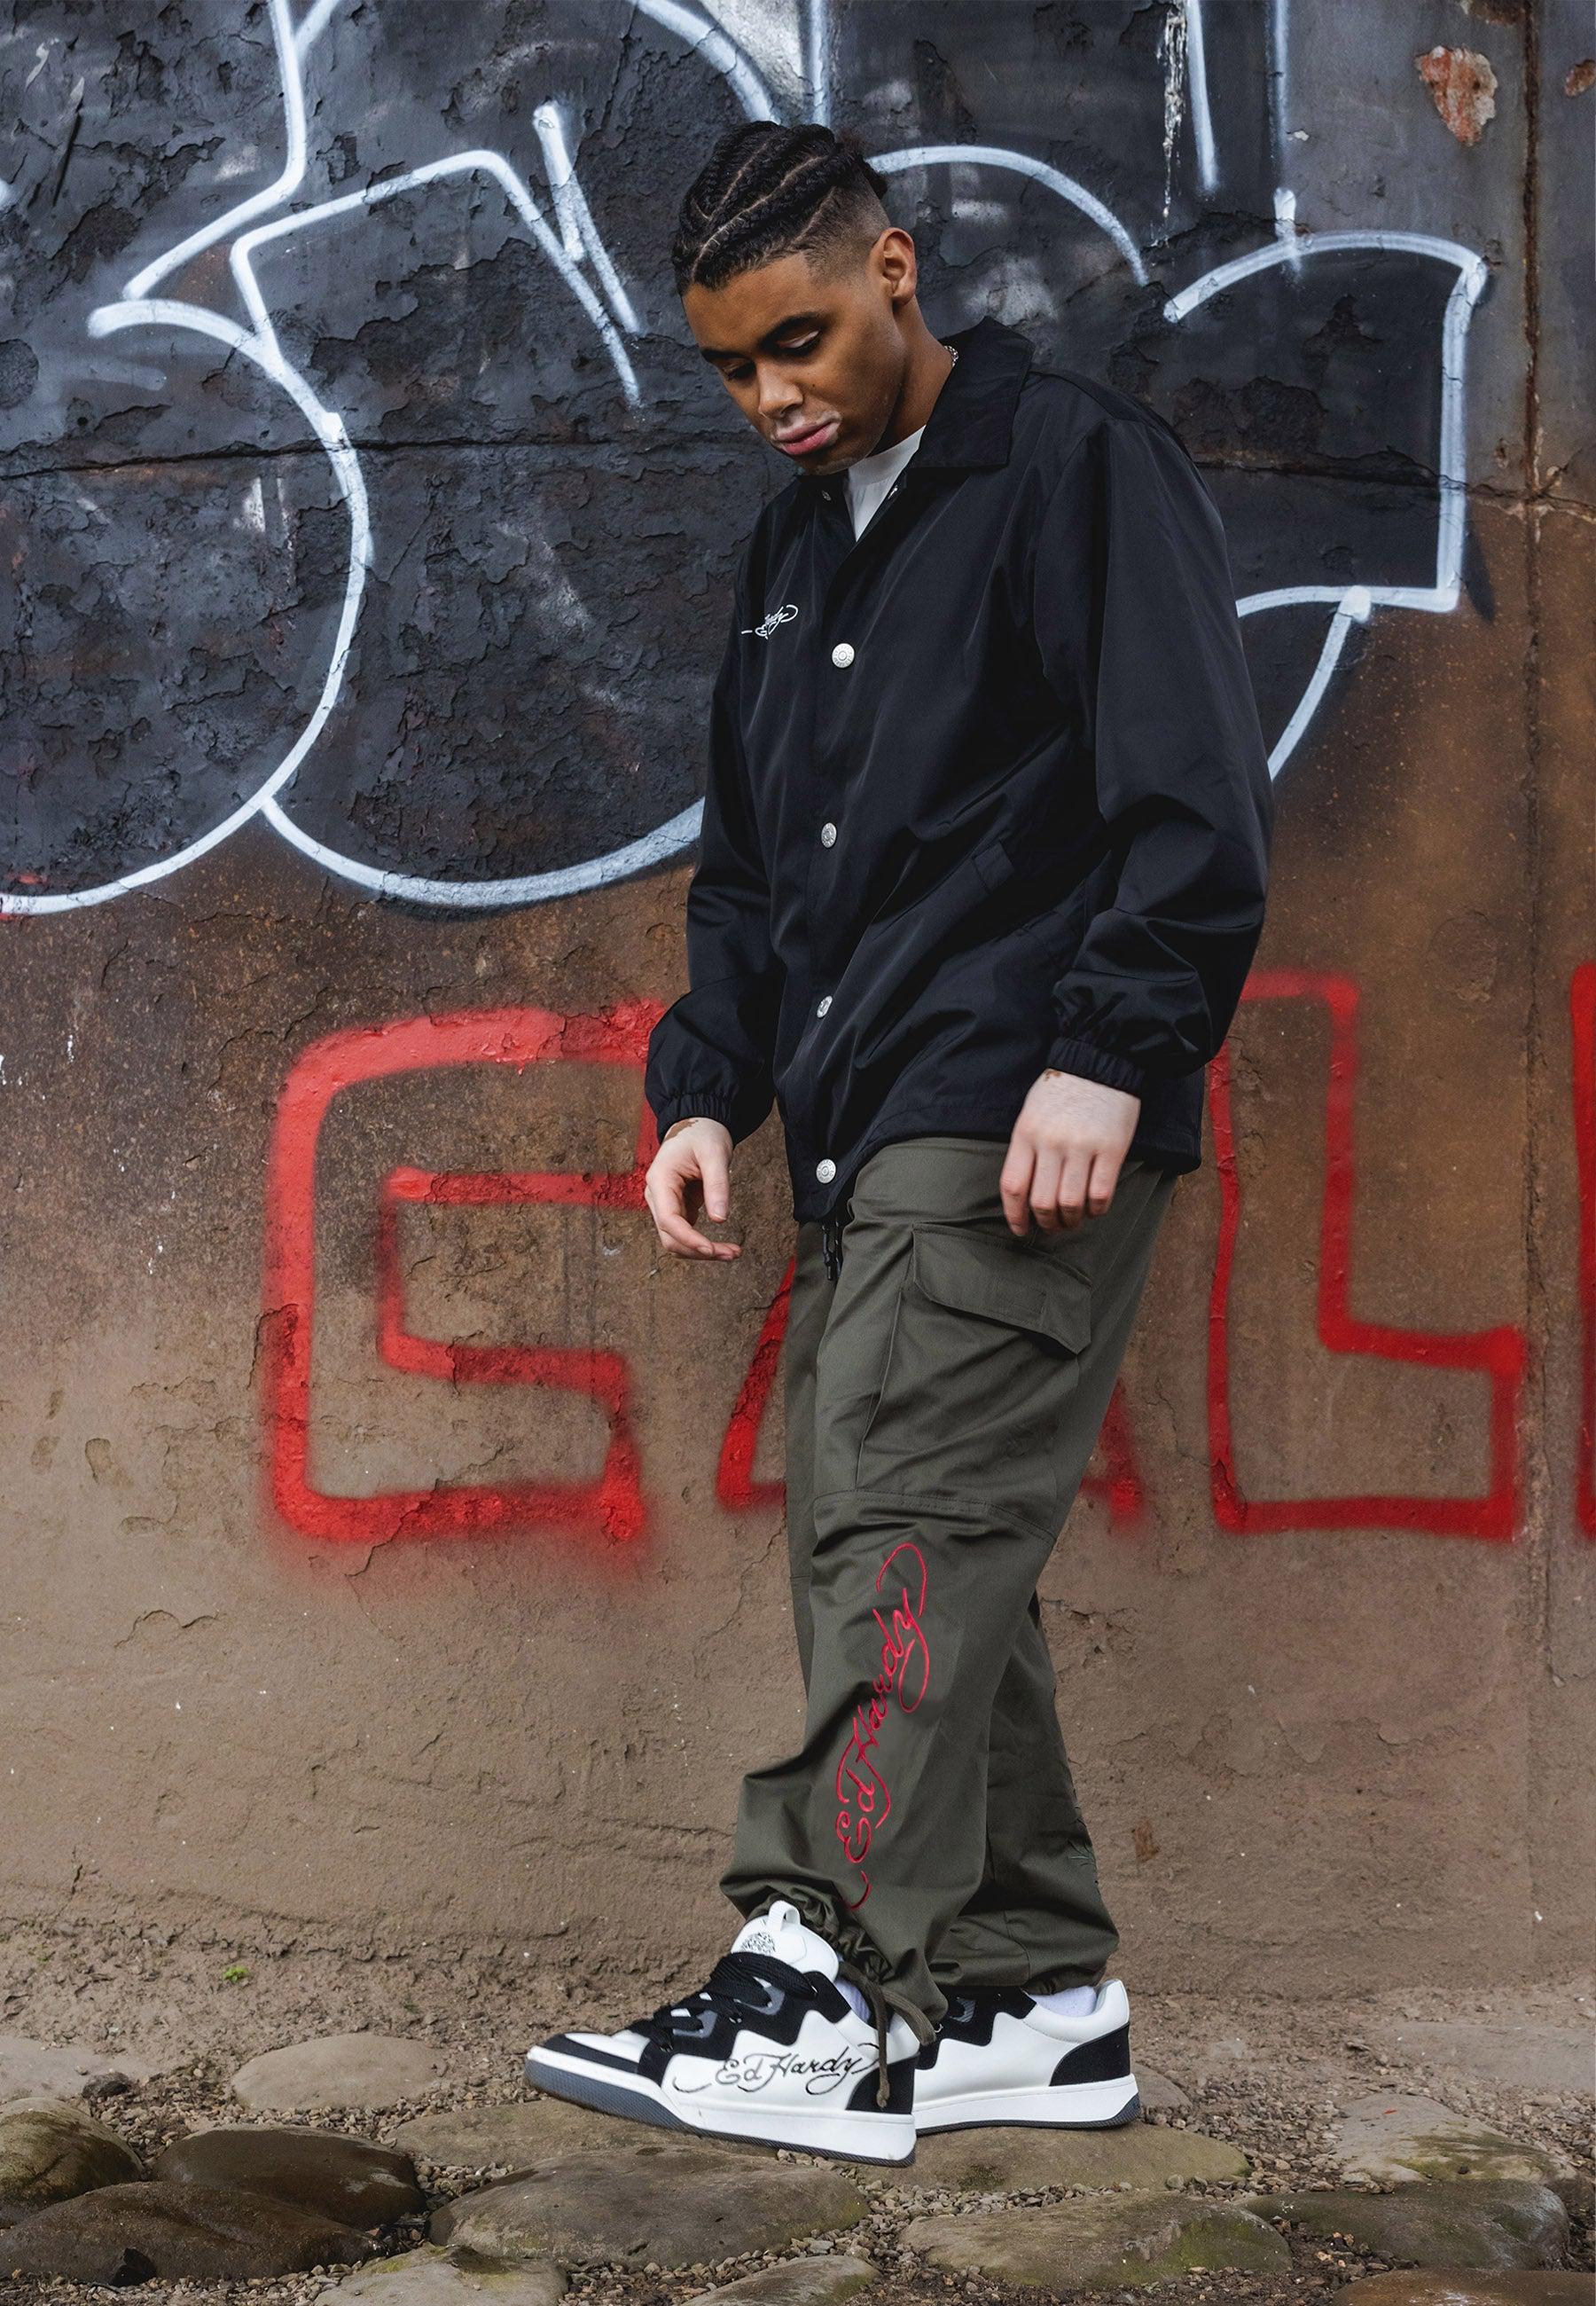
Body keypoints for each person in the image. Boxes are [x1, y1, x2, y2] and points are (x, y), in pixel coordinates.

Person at [526, 120, 1272, 2167]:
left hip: (1020, 1106)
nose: (774, 394)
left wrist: (1111, 1053)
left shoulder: (1073, 467)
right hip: (862, 1127)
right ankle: (1030, 1992)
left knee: (901, 1526)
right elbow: (755, 870)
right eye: (731, 368)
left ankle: (825, 1974)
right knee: (922, 1531)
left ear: (896, 271)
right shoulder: (796, 554)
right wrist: (706, 1083)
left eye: (802, 340)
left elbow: (1195, 794)